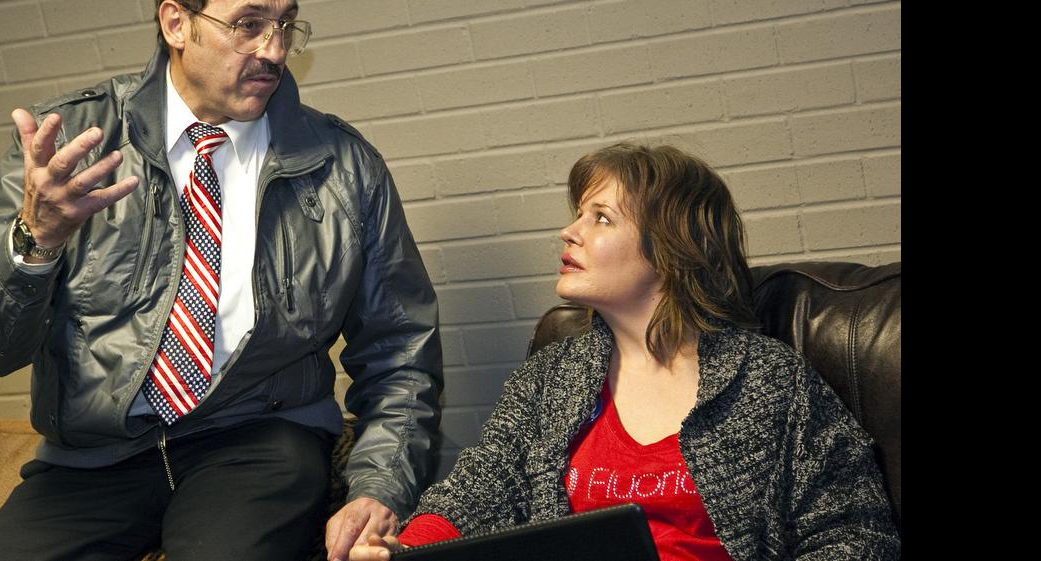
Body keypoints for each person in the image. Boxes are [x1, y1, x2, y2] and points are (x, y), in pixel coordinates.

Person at [0, 0, 442, 560]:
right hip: (95, 459)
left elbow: (401, 349)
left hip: (258, 437)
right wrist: (34, 241)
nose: (273, 49)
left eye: (286, 25)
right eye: (248, 24)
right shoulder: (68, 145)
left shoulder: (341, 165)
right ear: (176, 23)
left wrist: (380, 486)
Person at [350, 143, 900, 561]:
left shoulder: (766, 381)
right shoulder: (552, 378)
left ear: (670, 248)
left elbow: (855, 531)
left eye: (601, 218)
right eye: (578, 214)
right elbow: (477, 491)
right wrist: (403, 551)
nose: (569, 232)